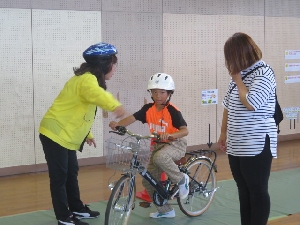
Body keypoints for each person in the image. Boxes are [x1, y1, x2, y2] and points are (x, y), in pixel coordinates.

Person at [39, 42, 125, 225]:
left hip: (65, 133)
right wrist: (114, 105)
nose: (115, 67)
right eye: (113, 62)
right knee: (60, 176)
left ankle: (77, 208)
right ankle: (64, 216)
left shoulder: (84, 79)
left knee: (71, 172)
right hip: (55, 133)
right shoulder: (87, 80)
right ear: (103, 64)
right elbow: (96, 95)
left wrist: (88, 135)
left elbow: (78, 112)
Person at [109, 73, 189, 218]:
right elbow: (131, 118)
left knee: (160, 157)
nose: (158, 95)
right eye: (154, 92)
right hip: (159, 145)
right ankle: (166, 211)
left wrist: (170, 135)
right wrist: (117, 125)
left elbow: (185, 131)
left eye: (162, 92)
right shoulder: (147, 109)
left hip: (176, 144)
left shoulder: (173, 111)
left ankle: (181, 180)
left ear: (169, 93)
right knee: (148, 181)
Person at [218, 32, 277, 225]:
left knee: (257, 189)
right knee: (243, 189)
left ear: (241, 53)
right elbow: (227, 105)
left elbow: (252, 102)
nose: (229, 62)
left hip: (257, 143)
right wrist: (223, 132)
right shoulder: (239, 74)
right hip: (237, 143)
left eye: (231, 57)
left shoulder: (264, 72)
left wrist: (238, 80)